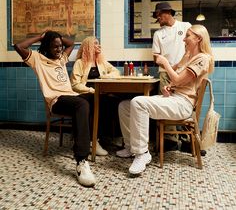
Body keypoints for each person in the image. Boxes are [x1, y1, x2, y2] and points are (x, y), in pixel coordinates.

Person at [116, 24, 214, 175]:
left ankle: (142, 153)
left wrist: (165, 63)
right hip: (174, 98)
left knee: (138, 102)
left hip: (183, 104)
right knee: (125, 106)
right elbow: (176, 81)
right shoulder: (187, 55)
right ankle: (131, 147)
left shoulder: (202, 59)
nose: (184, 39)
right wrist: (169, 87)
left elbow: (179, 80)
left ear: (198, 38)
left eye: (187, 36)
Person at [14, 31, 96, 187]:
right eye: (55, 47)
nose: (59, 50)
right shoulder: (37, 59)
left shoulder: (61, 59)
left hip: (71, 97)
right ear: (46, 46)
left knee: (96, 98)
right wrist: (41, 37)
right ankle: (81, 161)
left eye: (60, 46)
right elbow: (19, 46)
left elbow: (71, 43)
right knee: (82, 104)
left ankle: (93, 141)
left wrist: (56, 36)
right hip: (57, 100)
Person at [152, 1, 192, 149]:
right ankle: (169, 141)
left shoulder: (185, 26)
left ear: (167, 12)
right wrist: (169, 68)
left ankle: (187, 141)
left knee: (184, 103)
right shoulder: (158, 34)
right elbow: (156, 58)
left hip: (185, 72)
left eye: (159, 15)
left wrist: (178, 67)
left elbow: (192, 49)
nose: (158, 19)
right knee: (166, 105)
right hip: (165, 75)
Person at [70, 36, 120, 153]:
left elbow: (116, 71)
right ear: (89, 47)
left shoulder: (101, 62)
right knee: (100, 103)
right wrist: (91, 90)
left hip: (99, 95)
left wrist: (104, 76)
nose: (99, 46)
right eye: (96, 44)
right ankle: (93, 141)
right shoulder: (80, 63)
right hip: (85, 94)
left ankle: (104, 138)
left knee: (114, 102)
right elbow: (75, 85)